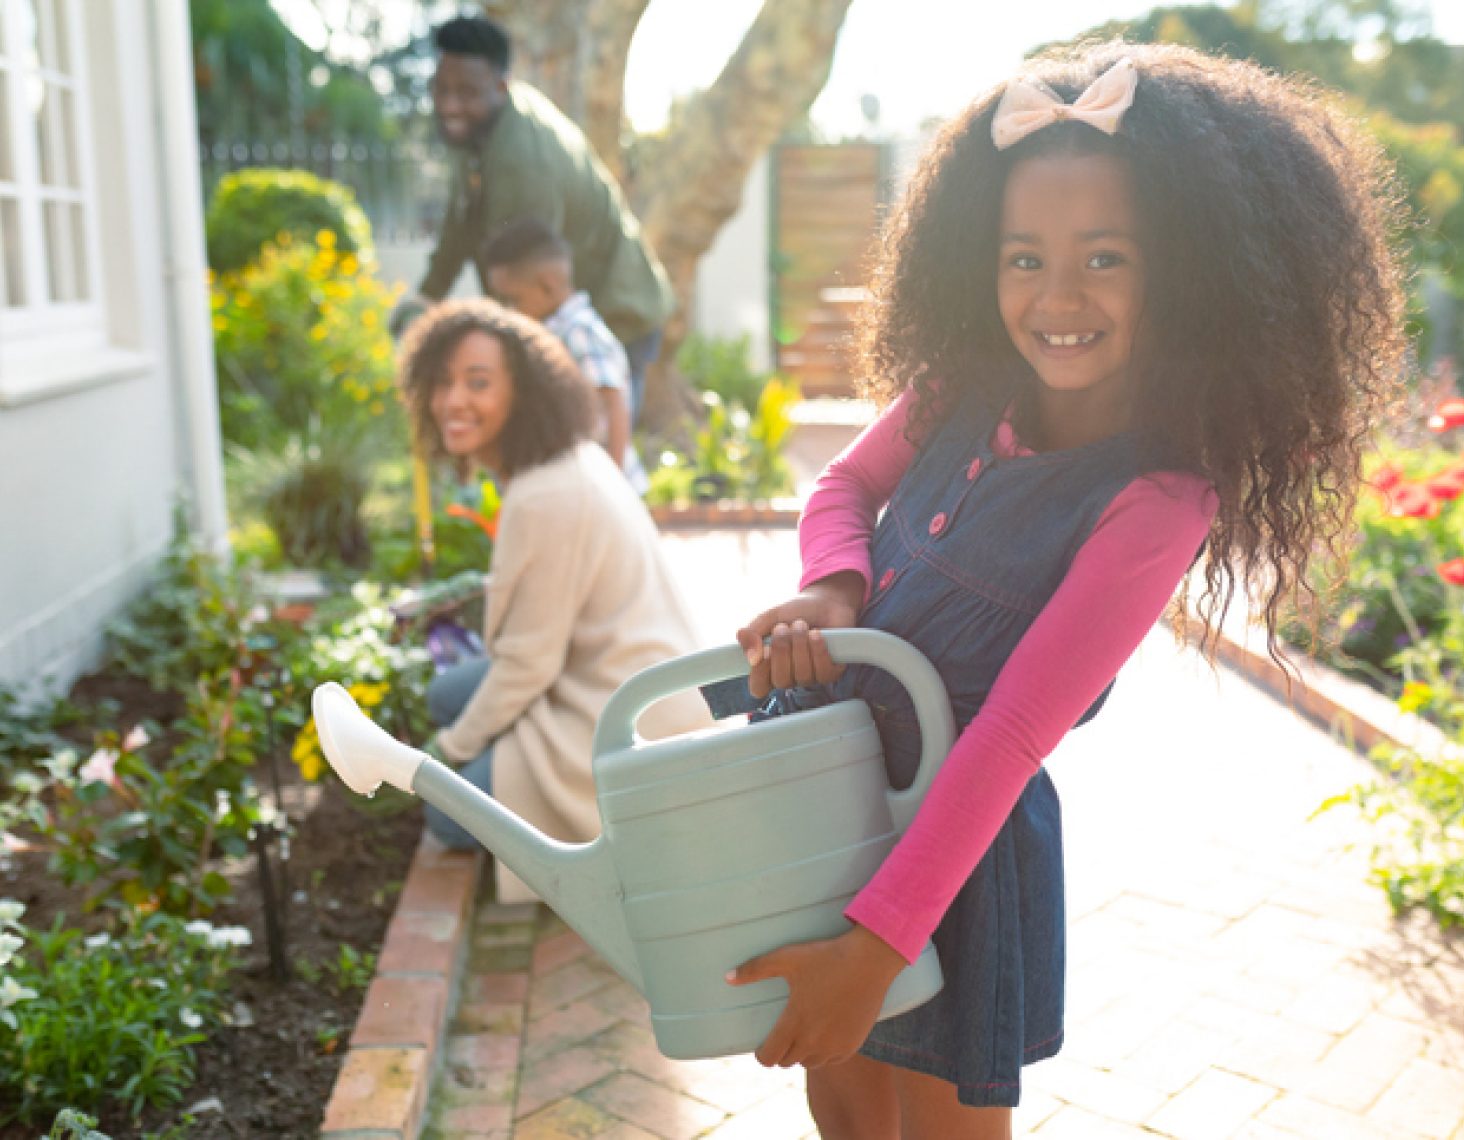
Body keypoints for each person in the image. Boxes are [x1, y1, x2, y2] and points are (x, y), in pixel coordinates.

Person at [722, 43, 1407, 1138]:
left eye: (1104, 260)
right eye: (1022, 259)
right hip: (832, 791)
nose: (1057, 297)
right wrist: (834, 591)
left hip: (952, 858)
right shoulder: (959, 385)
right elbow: (844, 485)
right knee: (842, 1097)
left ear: (1185, 272)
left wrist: (878, 945)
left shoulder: (1156, 497)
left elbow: (1006, 737)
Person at [396, 298, 710, 902]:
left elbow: (528, 664)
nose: (453, 400)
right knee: (446, 694)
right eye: (442, 383)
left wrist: (441, 761)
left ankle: (594, 833)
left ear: (525, 391)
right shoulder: (569, 460)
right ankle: (489, 755)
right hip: (615, 677)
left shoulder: (545, 492)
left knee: (443, 818)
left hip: (622, 718)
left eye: (478, 383)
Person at [406, 14, 674, 422]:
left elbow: (521, 286)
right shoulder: (477, 132)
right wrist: (423, 303)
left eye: (466, 92)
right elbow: (460, 225)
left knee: (592, 451)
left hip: (613, 316)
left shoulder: (521, 161)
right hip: (561, 313)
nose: (449, 105)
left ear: (500, 85)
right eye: (441, 89)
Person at [481, 217, 648, 493]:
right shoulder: (548, 331)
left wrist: (612, 487)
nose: (508, 312)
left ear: (548, 285)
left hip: (601, 489)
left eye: (513, 300)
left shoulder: (578, 331)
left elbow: (612, 403)